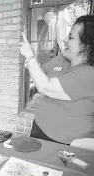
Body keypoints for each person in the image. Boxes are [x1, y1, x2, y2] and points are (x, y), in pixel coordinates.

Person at [20, 15, 94, 145]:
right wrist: (31, 58)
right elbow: (40, 73)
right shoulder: (63, 58)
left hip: (63, 142)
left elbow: (45, 86)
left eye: (70, 37)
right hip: (39, 128)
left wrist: (29, 56)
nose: (64, 39)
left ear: (86, 47)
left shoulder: (89, 74)